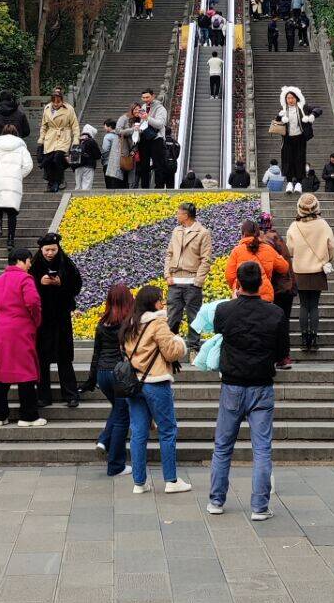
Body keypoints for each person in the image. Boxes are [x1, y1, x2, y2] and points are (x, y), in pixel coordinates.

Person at [207, 260, 289, 520]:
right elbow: (282, 353)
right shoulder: (275, 313)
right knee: (262, 448)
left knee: (223, 446)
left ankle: (216, 501)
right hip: (261, 385)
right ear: (263, 283)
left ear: (238, 283)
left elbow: (219, 332)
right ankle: (259, 507)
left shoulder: (224, 310)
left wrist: (234, 299)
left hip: (232, 384)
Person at [120, 284, 190, 494]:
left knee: (139, 432)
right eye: (160, 299)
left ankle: (139, 482)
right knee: (167, 430)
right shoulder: (158, 323)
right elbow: (171, 352)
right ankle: (171, 480)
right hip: (156, 382)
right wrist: (179, 342)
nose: (163, 303)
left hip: (135, 384)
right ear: (152, 303)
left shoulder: (130, 324)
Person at [0, 244, 46, 429]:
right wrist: (36, 322)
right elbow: (33, 302)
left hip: (0, 330)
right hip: (20, 329)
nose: (30, 265)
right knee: (26, 371)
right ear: (21, 261)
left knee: (0, 371)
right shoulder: (25, 279)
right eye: (29, 261)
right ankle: (28, 416)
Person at [82, 280, 134, 473]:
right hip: (120, 373)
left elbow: (96, 353)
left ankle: (104, 441)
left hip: (103, 374)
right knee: (122, 418)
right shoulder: (128, 323)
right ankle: (115, 465)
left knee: (118, 410)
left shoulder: (102, 323)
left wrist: (91, 378)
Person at [30, 232, 82, 409]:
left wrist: (61, 283)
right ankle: (43, 396)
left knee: (64, 358)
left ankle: (71, 395)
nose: (50, 253)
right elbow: (27, 289)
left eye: (53, 249)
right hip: (42, 320)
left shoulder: (66, 263)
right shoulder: (35, 265)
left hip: (61, 318)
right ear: (41, 249)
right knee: (42, 359)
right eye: (47, 250)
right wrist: (39, 283)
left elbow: (77, 285)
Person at [286, 193, 334, 353]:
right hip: (317, 270)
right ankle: (313, 337)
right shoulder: (323, 225)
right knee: (314, 305)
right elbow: (331, 246)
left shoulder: (294, 226)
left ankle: (303, 337)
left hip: (300, 270)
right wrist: (327, 260)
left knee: (303, 305)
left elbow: (290, 250)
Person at [164, 202, 213, 355]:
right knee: (172, 317)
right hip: (175, 282)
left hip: (192, 282)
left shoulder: (202, 233)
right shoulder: (176, 231)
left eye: (179, 213)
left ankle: (194, 350)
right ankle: (171, 350)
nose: (177, 215)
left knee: (194, 318)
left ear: (186, 215)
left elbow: (206, 259)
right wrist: (167, 275)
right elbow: (169, 254)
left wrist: (198, 281)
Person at [0, 121, 34, 246]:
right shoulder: (21, 148)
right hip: (13, 181)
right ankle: (10, 240)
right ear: (16, 133)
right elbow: (28, 165)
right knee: (12, 211)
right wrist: (19, 174)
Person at [258, 212, 294, 366]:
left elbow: (274, 265)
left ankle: (277, 356)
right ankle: (284, 357)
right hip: (288, 286)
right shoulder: (277, 237)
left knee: (274, 323)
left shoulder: (266, 241)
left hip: (277, 288)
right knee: (283, 322)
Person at [225, 218, 290, 303]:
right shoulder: (268, 249)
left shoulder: (237, 251)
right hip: (264, 296)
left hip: (242, 295)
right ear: (259, 234)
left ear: (243, 234)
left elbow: (229, 276)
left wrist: (235, 286)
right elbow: (284, 267)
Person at [39, 88, 80, 194]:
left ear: (62, 100)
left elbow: (75, 126)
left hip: (64, 135)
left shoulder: (69, 109)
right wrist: (41, 139)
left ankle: (58, 181)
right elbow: (44, 126)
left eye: (58, 101)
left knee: (58, 157)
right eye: (54, 101)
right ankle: (51, 183)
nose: (56, 104)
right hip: (50, 137)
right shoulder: (47, 108)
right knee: (49, 161)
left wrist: (76, 140)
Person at [278, 86, 314, 193]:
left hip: (300, 139)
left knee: (299, 160)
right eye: (288, 98)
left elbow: (318, 109)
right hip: (287, 140)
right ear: (285, 99)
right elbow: (277, 123)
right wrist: (279, 117)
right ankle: (289, 183)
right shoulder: (283, 110)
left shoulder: (303, 108)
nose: (290, 100)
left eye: (292, 98)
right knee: (288, 161)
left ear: (297, 98)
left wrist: (312, 116)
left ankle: (298, 183)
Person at [136, 90, 167, 188]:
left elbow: (160, 124)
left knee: (158, 165)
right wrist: (138, 127)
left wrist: (147, 118)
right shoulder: (143, 107)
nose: (145, 100)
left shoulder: (160, 108)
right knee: (144, 166)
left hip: (157, 138)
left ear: (153, 96)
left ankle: (159, 188)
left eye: (147, 97)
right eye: (143, 98)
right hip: (145, 138)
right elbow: (143, 122)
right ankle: (144, 188)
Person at [74, 124, 101, 193]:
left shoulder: (77, 140)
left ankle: (76, 200)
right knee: (86, 186)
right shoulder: (91, 141)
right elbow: (98, 155)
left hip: (77, 166)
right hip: (88, 166)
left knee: (78, 186)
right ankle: (83, 200)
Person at [101, 119, 122, 189]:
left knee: (110, 185)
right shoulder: (120, 135)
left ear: (109, 127)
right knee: (118, 185)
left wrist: (103, 159)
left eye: (105, 126)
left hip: (109, 163)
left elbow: (105, 149)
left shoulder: (108, 136)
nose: (104, 128)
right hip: (119, 163)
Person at [162, 125, 181, 189]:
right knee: (170, 185)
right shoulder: (176, 143)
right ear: (170, 132)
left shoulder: (162, 142)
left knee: (160, 185)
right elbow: (177, 155)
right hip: (172, 165)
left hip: (163, 165)